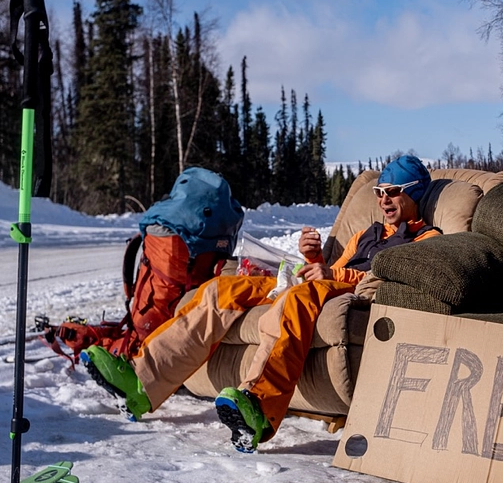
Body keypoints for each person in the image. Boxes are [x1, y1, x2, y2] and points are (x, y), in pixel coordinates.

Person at [82, 155, 442, 453]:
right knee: (224, 288)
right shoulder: (368, 234)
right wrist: (313, 257)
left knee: (298, 298)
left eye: (392, 192)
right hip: (324, 283)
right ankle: (141, 384)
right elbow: (337, 266)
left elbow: (388, 283)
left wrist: (333, 277)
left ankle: (258, 406)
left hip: (350, 296)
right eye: (380, 192)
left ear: (416, 193)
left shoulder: (428, 239)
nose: (383, 201)